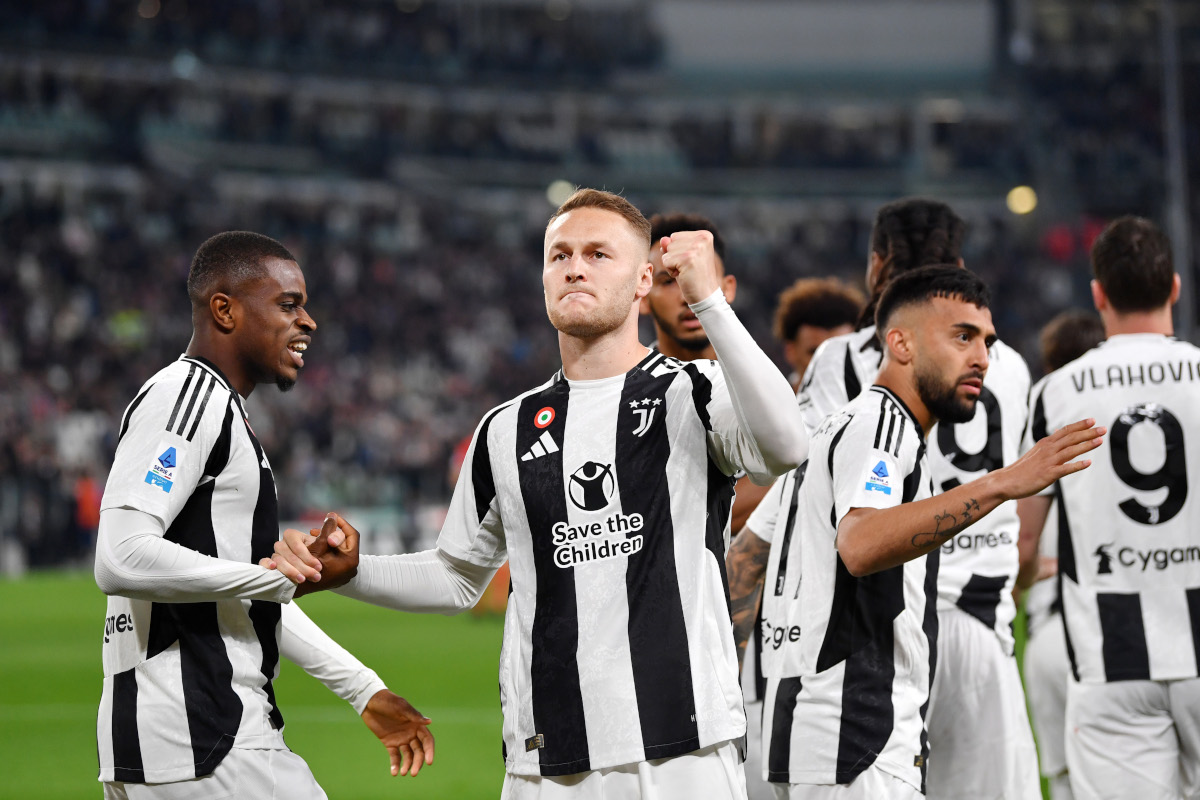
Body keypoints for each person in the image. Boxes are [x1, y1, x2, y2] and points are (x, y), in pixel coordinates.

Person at [272, 188, 809, 798]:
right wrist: (353, 573)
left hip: (682, 751)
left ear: (642, 281)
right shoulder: (505, 428)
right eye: (560, 255)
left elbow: (787, 446)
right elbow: (456, 576)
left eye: (598, 254)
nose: (575, 266)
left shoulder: (693, 391)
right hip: (546, 761)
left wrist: (707, 299)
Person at [93, 231, 434, 798]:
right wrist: (276, 577)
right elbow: (120, 555)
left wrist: (361, 688)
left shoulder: (222, 412)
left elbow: (241, 596)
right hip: (208, 735)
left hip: (174, 745)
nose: (308, 322)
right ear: (224, 310)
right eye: (287, 304)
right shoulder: (189, 396)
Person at [754, 264, 1102, 799]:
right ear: (900, 343)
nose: (982, 357)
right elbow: (862, 543)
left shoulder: (854, 425)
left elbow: (751, 554)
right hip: (855, 738)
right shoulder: (880, 424)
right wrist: (1005, 483)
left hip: (828, 736)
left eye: (987, 340)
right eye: (961, 336)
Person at [796, 198, 1039, 799]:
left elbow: (801, 479)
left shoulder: (844, 357)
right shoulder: (1006, 364)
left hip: (883, 625)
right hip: (982, 630)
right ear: (957, 266)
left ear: (877, 264)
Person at [1023, 216, 1200, 799]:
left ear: (1098, 294)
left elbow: (1026, 547)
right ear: (1173, 286)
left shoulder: (1056, 393)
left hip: (1110, 652)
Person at [639, 210, 771, 800]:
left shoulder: (769, 402)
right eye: (669, 280)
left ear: (727, 289)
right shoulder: (621, 404)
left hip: (761, 656)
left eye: (697, 277)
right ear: (643, 290)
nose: (686, 294)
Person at [1017, 309, 1105, 800]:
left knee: (1069, 788)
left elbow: (1024, 545)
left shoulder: (1037, 417)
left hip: (1052, 624)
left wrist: (1025, 576)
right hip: (1123, 631)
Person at [772, 278, 864, 392]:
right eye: (815, 352)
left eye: (840, 351)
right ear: (790, 351)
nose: (829, 365)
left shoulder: (878, 404)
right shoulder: (767, 407)